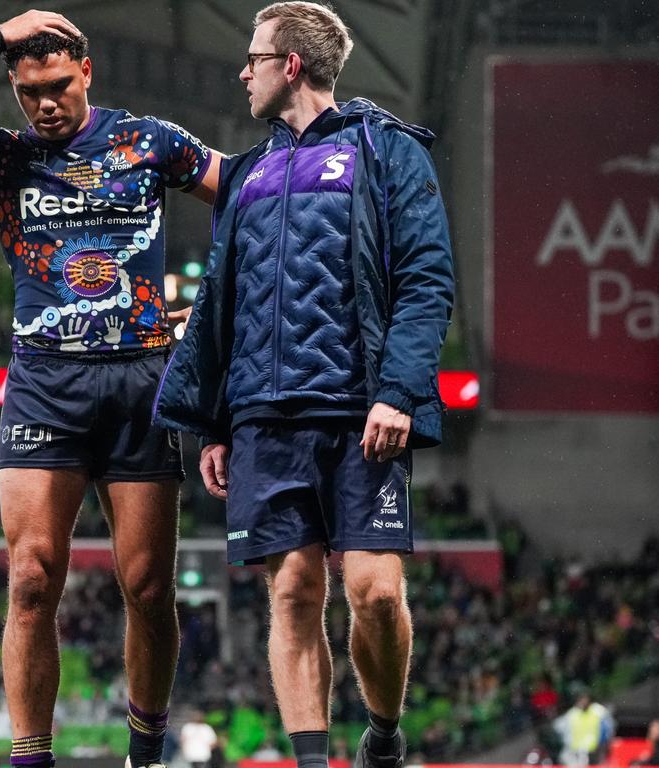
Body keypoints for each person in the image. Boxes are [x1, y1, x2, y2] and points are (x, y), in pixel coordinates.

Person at [0, 11, 221, 768]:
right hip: (44, 382)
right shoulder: (0, 158)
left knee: (148, 589)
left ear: (88, 73)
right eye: (29, 89)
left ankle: (146, 752)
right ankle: (30, 760)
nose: (45, 102)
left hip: (141, 378)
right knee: (32, 580)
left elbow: (248, 196)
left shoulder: (148, 141)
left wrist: (213, 302)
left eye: (60, 85)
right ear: (12, 85)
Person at [154, 4, 455, 768]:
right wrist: (215, 421)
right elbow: (225, 306)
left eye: (253, 58)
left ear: (291, 64)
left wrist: (399, 390)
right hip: (262, 420)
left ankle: (383, 733)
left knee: (377, 596)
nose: (242, 71)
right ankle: (313, 762)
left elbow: (426, 281)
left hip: (362, 413)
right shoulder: (248, 175)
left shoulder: (387, 151)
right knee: (291, 594)